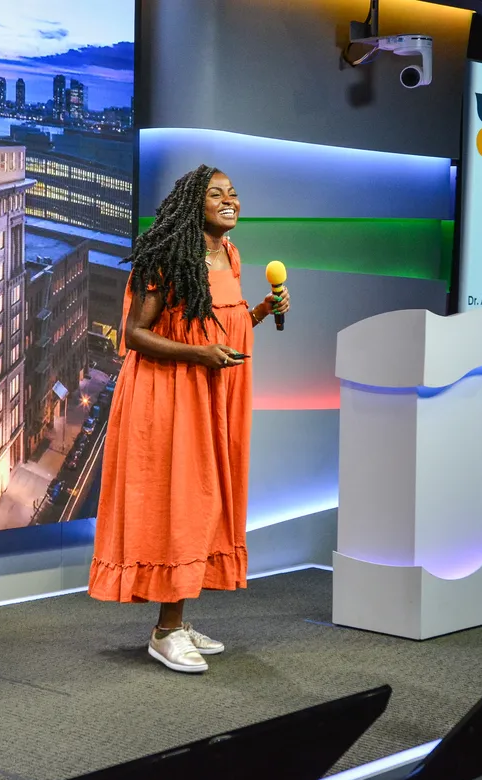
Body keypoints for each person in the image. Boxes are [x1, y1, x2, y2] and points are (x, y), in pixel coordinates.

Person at [88, 165, 291, 674]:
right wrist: (200, 356)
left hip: (213, 395)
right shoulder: (167, 259)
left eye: (235, 194)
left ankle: (179, 619)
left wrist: (264, 309)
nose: (231, 201)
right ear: (191, 205)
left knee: (206, 502)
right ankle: (165, 631)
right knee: (181, 504)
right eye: (217, 194)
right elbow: (134, 335)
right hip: (170, 395)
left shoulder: (229, 254)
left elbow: (222, 319)